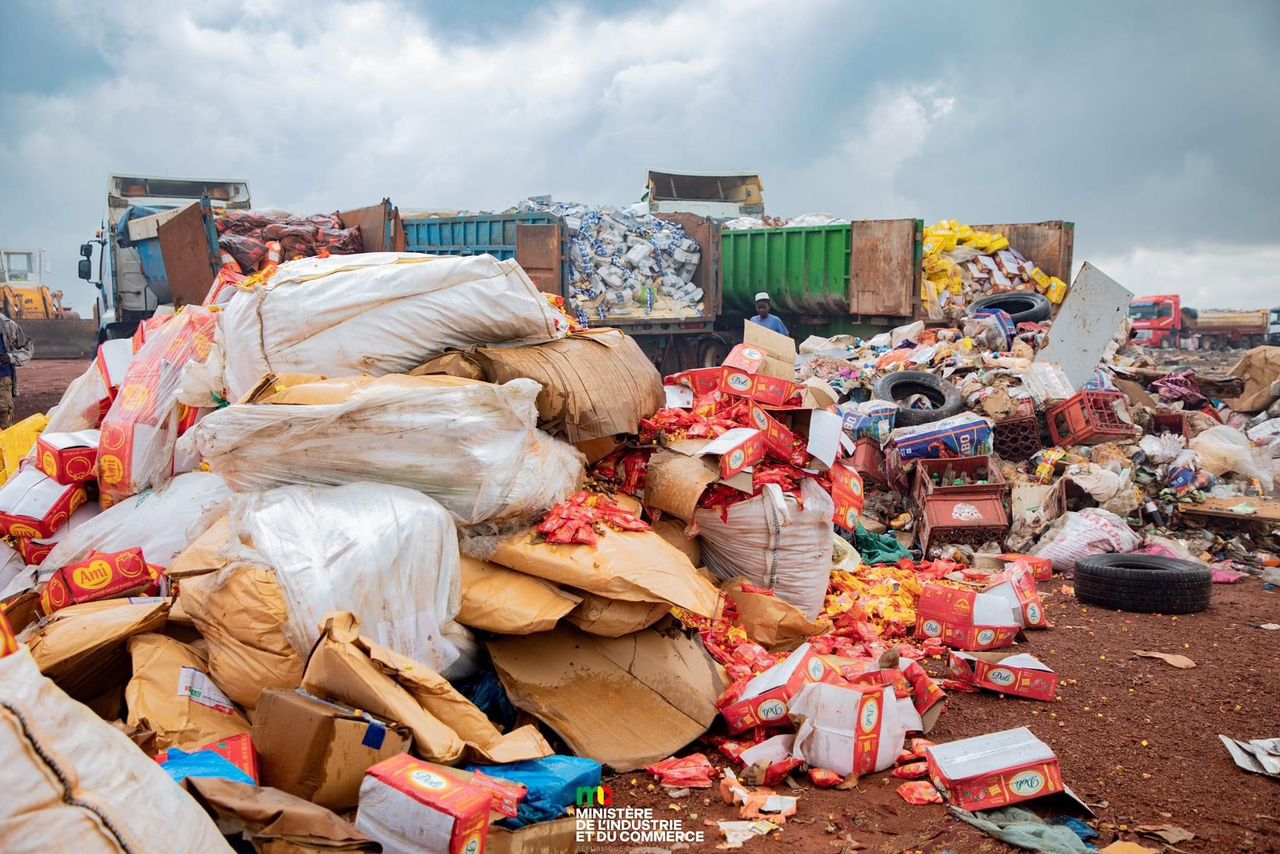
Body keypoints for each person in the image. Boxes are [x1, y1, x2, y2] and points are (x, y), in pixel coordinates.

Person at [0, 312, 34, 429]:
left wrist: (10, 357)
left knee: (4, 416)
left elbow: (27, 347)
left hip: (2, 379)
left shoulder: (7, 326)